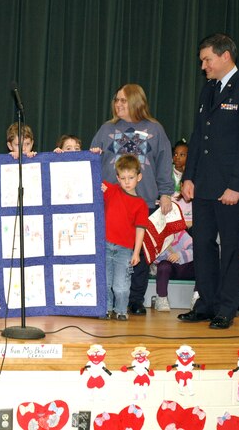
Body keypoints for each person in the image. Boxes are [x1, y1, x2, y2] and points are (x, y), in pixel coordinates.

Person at [179, 33, 239, 329]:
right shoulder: (209, 90)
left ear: (225, 56)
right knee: (202, 244)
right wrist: (188, 177)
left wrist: (237, 186)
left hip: (231, 186)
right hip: (203, 183)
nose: (203, 65)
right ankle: (205, 303)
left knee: (230, 247)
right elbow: (197, 136)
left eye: (207, 59)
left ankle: (227, 307)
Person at [90, 83, 174, 315]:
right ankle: (106, 302)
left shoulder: (155, 130)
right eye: (116, 100)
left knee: (139, 254)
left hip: (143, 202)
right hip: (111, 205)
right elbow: (92, 159)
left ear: (136, 102)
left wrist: (166, 192)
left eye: (123, 101)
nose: (118, 104)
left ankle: (135, 300)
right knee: (109, 254)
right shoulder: (107, 128)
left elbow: (165, 163)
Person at [100, 155, 149, 321]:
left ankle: (121, 310)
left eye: (131, 177)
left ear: (139, 177)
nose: (127, 182)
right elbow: (90, 174)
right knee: (105, 282)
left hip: (124, 250)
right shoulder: (111, 190)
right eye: (123, 178)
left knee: (120, 286)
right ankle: (106, 308)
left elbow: (140, 229)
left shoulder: (141, 204)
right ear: (117, 178)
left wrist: (136, 253)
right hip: (105, 246)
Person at [153, 230, 194, 312]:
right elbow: (154, 259)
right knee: (163, 266)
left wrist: (179, 255)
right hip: (170, 270)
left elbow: (195, 250)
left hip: (185, 268)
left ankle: (198, 296)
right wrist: (168, 254)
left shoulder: (181, 234)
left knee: (200, 264)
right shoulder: (156, 237)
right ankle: (162, 298)